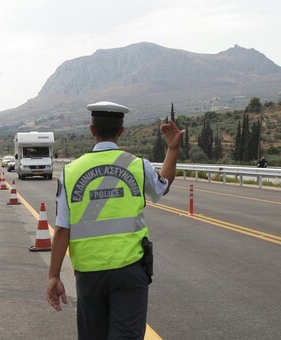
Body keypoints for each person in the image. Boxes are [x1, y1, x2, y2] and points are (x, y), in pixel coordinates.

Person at [46, 101, 185, 339]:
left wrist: (54, 276)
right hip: (130, 270)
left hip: (90, 274)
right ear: (121, 131)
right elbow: (163, 187)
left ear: (92, 130)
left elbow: (62, 230)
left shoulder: (70, 173)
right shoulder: (137, 165)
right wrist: (172, 150)